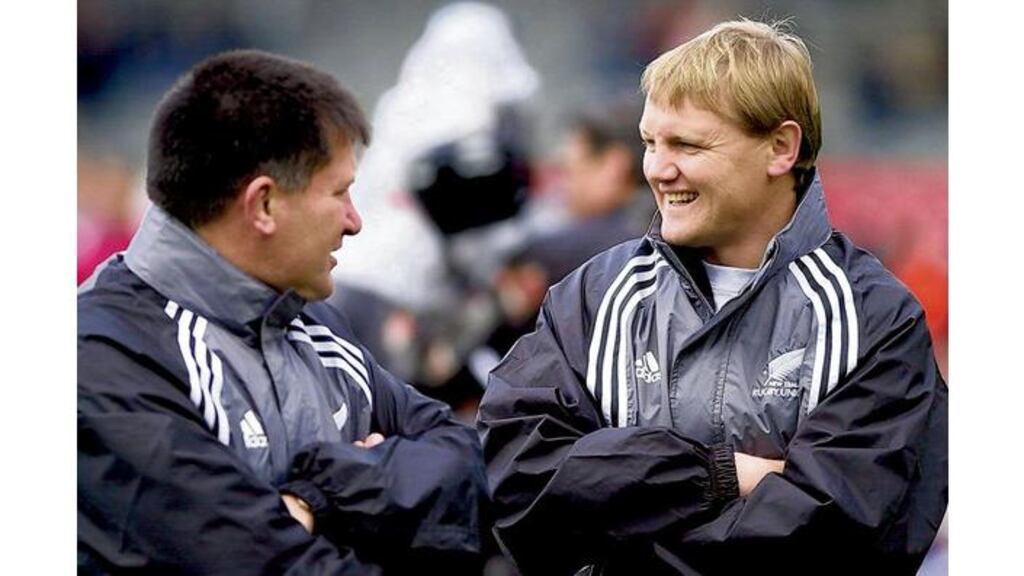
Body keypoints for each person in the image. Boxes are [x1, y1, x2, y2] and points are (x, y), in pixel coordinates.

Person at [477, 19, 947, 575]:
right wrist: (724, 475)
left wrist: (619, 524)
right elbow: (518, 482)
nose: (657, 168)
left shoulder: (875, 320)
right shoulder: (594, 297)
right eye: (650, 142)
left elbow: (842, 537)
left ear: (780, 147)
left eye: (687, 144)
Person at [78, 50, 488, 574]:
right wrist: (383, 491)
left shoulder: (314, 326)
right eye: (340, 193)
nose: (355, 221)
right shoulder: (99, 357)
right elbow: (267, 564)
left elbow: (466, 467)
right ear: (263, 206)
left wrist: (319, 493)